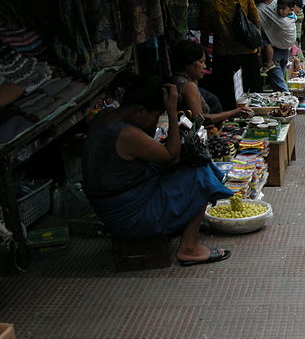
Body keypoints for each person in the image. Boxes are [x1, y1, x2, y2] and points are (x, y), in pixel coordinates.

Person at [83, 75, 233, 266]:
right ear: (140, 111)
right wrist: (171, 111)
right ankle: (189, 248)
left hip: (121, 201)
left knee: (192, 164)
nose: (155, 122)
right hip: (130, 216)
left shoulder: (106, 115)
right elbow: (172, 156)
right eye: (155, 116)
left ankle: (189, 221)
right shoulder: (126, 134)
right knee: (199, 169)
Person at [199, 0, 261, 110]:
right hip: (248, 55)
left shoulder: (209, 3)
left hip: (223, 58)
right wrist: (257, 47)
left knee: (227, 100)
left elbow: (205, 34)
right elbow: (256, 23)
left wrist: (205, 57)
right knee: (253, 98)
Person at [172, 40, 251, 125]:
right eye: (201, 62)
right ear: (188, 63)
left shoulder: (178, 80)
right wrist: (233, 113)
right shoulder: (188, 86)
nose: (204, 66)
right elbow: (200, 120)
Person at [258, 0, 298, 93]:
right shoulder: (290, 16)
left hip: (281, 52)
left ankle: (288, 102)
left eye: (283, 9)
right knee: (279, 81)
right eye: (279, 8)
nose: (280, 11)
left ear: (291, 9)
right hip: (283, 51)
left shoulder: (283, 20)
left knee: (280, 83)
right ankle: (285, 103)